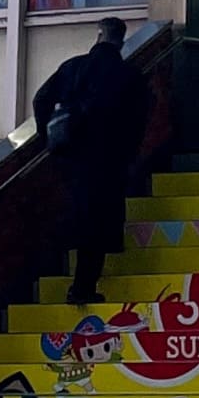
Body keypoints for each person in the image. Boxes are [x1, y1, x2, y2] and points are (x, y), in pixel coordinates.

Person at [34, 16, 151, 305]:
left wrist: (45, 137)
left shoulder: (73, 67)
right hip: (110, 162)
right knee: (99, 225)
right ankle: (83, 286)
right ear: (121, 41)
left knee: (79, 217)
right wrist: (130, 153)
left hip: (72, 159)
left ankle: (75, 283)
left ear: (99, 35)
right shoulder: (129, 76)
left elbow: (40, 100)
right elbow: (141, 117)